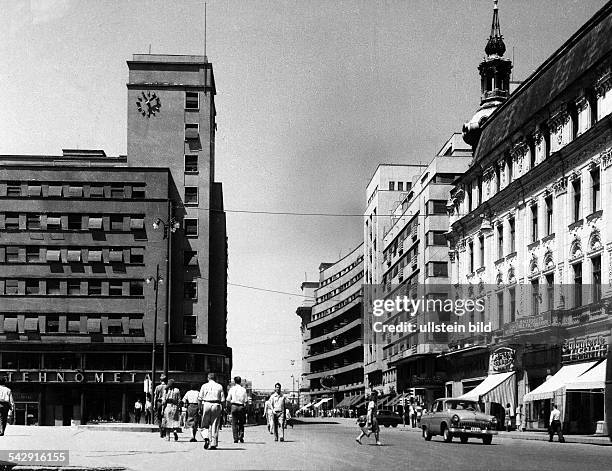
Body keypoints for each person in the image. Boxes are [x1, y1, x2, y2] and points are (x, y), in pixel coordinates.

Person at [198, 372, 225, 450]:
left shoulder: (204, 386)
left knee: (204, 425)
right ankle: (213, 444)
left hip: (206, 404)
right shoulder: (219, 386)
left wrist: (200, 408)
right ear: (215, 378)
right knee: (215, 424)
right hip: (216, 404)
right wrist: (223, 409)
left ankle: (206, 438)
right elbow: (223, 399)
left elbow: (200, 398)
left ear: (208, 378)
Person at [227, 376, 248, 443]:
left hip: (234, 406)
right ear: (240, 381)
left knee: (234, 423)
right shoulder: (243, 389)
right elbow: (246, 401)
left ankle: (235, 438)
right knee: (241, 422)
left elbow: (228, 399)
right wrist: (246, 408)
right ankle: (241, 436)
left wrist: (228, 407)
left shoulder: (232, 389)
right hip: (241, 407)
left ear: (234, 381)